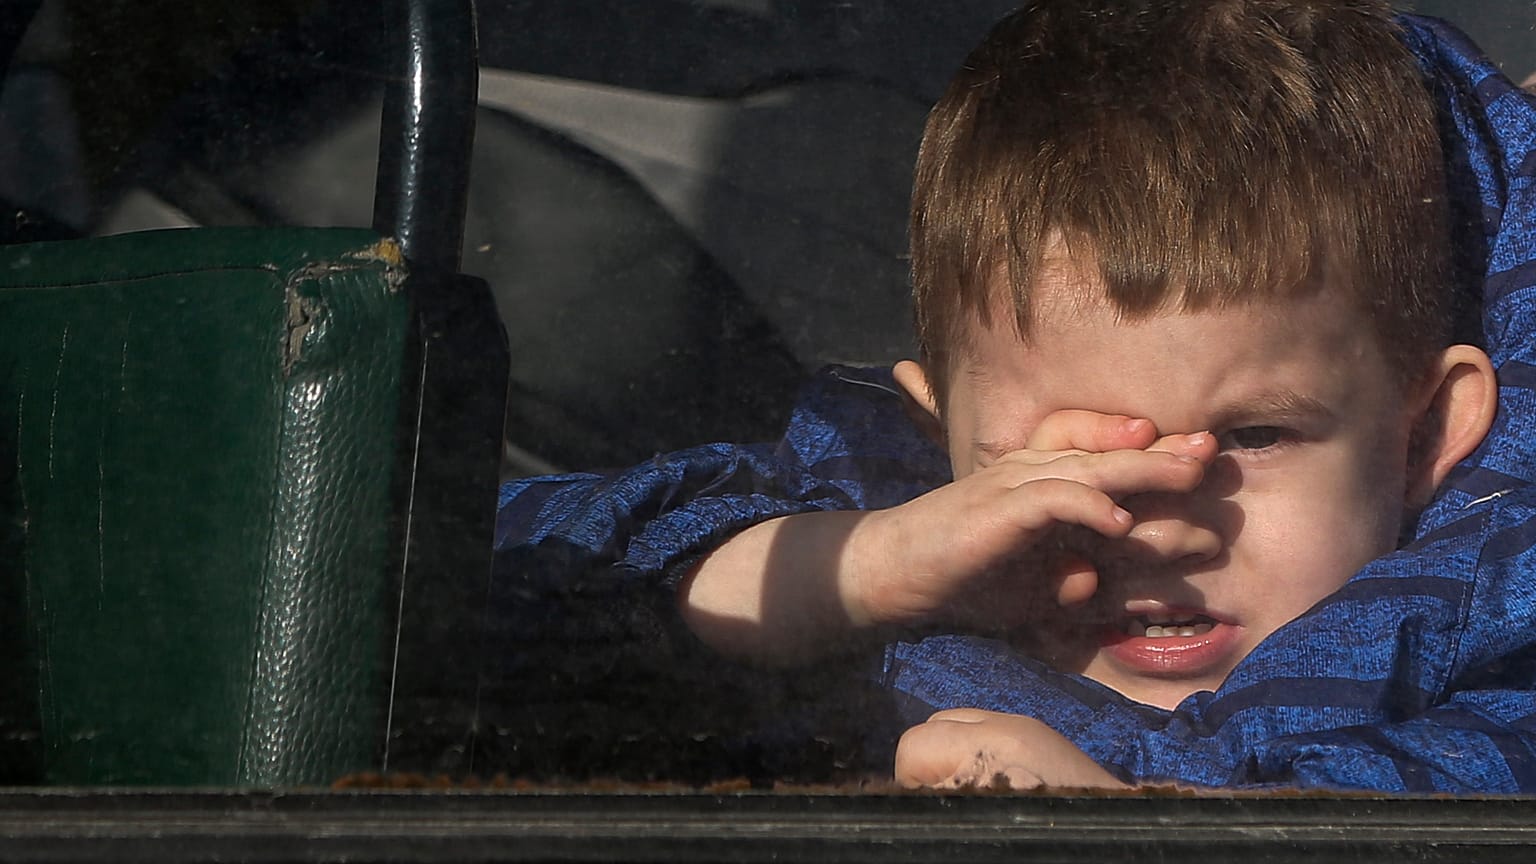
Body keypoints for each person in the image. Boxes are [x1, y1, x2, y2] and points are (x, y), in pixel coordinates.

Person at [492, 2, 1536, 792]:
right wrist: (868, 569)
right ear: (935, 430)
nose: (1156, 523)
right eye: (1058, 455)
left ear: (1426, 432)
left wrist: (1117, 831)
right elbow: (498, 586)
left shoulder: (1491, 659)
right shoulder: (881, 530)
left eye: (1255, 434)